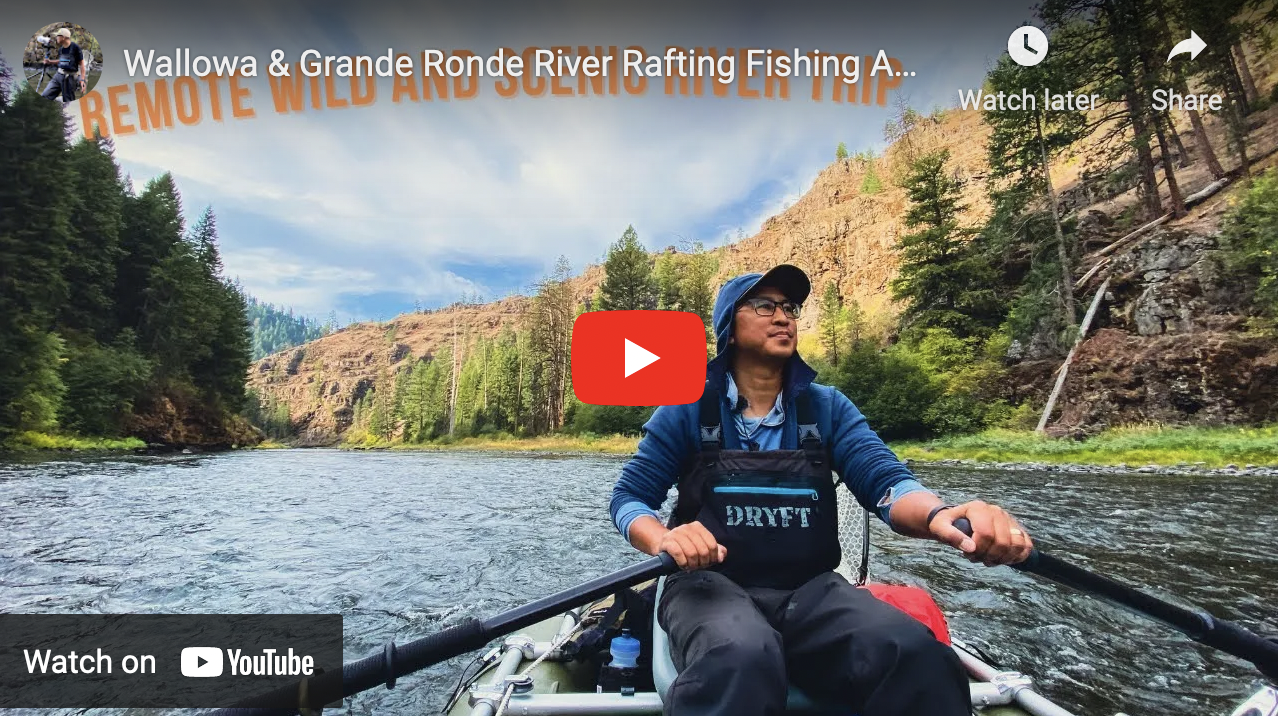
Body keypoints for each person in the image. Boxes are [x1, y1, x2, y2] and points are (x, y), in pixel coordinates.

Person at [608, 264, 1034, 716]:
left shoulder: (827, 407)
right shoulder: (686, 408)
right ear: (729, 330)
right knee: (741, 655)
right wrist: (663, 537)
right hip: (706, 588)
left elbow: (887, 484)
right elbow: (629, 499)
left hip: (809, 591)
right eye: (765, 306)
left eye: (790, 308)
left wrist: (938, 515)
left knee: (913, 651)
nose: (783, 317)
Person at [40, 28, 87, 103]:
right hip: (58, 76)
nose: (56, 38)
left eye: (58, 36)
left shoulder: (75, 48)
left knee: (68, 101)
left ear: (63, 37)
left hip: (69, 78)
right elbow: (62, 61)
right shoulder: (61, 49)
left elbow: (82, 64)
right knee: (45, 95)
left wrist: (82, 80)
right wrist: (50, 62)